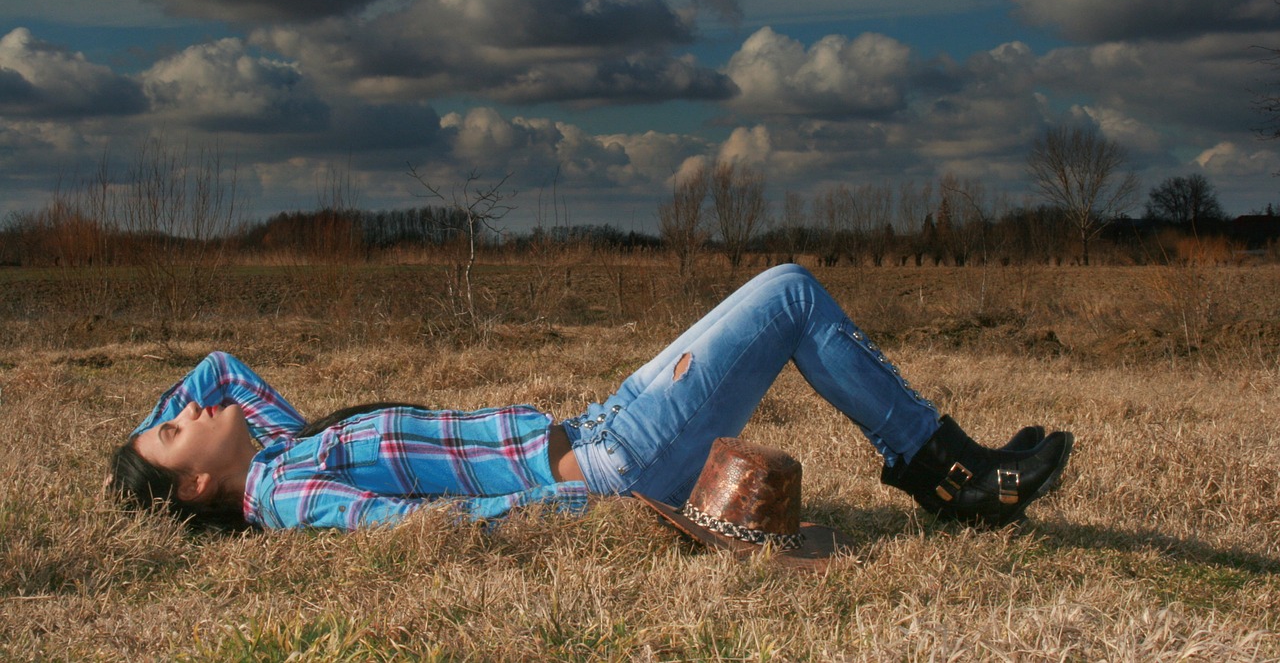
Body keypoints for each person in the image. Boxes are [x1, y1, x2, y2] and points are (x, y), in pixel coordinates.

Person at [109, 264, 1073, 532]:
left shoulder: (272, 446)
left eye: (169, 412)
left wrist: (144, 449)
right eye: (171, 435)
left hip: (604, 425)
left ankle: (950, 471)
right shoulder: (284, 494)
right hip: (609, 459)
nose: (185, 411)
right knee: (788, 293)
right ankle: (950, 472)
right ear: (195, 490)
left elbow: (221, 367)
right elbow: (422, 527)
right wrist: (592, 505)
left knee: (788, 295)